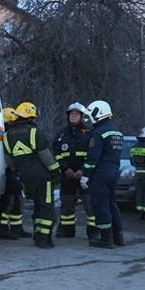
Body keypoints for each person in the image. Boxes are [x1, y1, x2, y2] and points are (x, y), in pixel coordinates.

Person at [2, 101, 61, 249]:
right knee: (46, 207)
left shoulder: (7, 135)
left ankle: (37, 235)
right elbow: (46, 155)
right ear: (31, 117)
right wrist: (55, 171)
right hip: (42, 174)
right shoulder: (35, 131)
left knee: (37, 205)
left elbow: (9, 160)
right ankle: (44, 239)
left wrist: (19, 170)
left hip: (25, 175)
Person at [81, 100, 124, 249]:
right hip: (113, 172)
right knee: (112, 205)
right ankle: (118, 237)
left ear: (98, 113)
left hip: (100, 173)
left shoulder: (98, 133)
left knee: (100, 205)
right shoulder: (116, 132)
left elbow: (92, 157)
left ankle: (106, 239)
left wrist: (85, 175)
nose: (87, 119)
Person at [51, 102, 95, 239]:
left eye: (76, 113)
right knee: (66, 204)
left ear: (82, 117)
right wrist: (65, 169)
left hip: (85, 175)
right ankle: (66, 230)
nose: (73, 115)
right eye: (71, 113)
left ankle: (93, 232)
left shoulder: (90, 133)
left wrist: (82, 170)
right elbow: (56, 152)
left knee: (89, 204)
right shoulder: (62, 133)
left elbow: (92, 154)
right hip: (67, 175)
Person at [0, 108, 29, 240]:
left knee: (17, 200)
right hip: (6, 170)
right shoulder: (4, 135)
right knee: (7, 200)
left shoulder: (9, 135)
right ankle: (2, 229)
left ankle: (16, 227)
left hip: (11, 170)